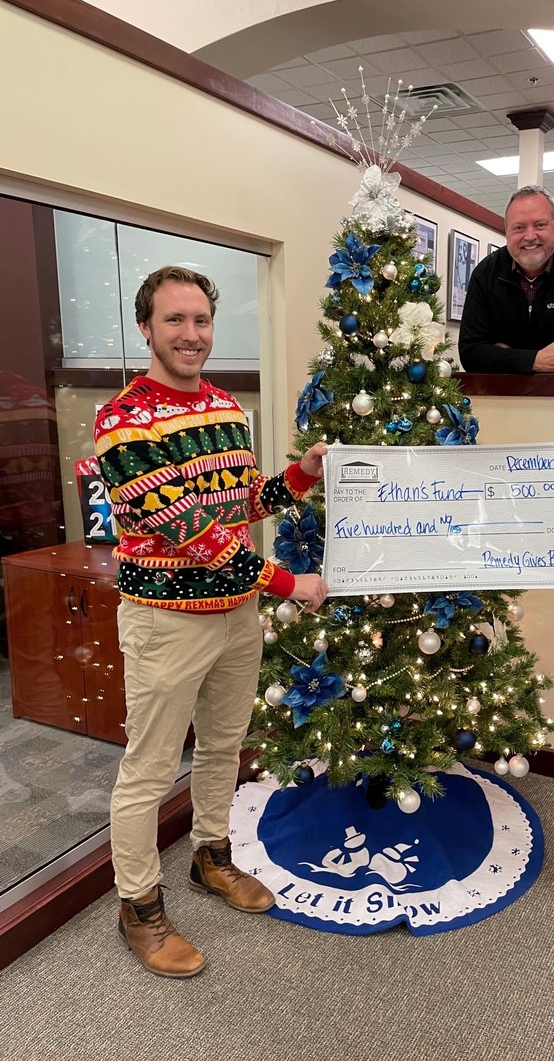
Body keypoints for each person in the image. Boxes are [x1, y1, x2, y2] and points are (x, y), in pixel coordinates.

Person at [94, 266, 328, 978]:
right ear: (146, 328)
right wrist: (288, 582)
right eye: (175, 321)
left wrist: (301, 476)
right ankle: (138, 906)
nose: (191, 334)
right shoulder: (123, 420)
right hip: (167, 620)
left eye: (200, 320)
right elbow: (187, 525)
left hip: (234, 615)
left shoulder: (227, 406)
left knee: (224, 747)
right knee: (149, 769)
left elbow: (236, 506)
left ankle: (211, 857)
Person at [458, 185, 554, 374]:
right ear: (507, 232)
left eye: (540, 225)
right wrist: (535, 360)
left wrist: (504, 356)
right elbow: (470, 353)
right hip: (505, 399)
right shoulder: (486, 273)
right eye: (519, 227)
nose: (530, 236)